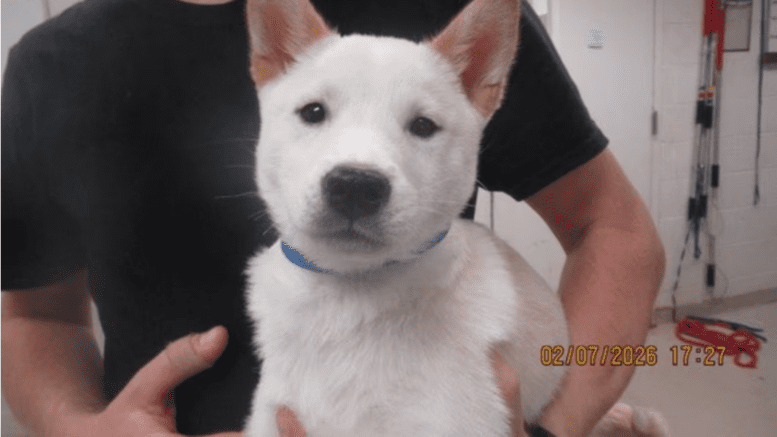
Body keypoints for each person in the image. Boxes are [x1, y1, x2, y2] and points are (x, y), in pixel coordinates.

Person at [1, 0, 665, 436]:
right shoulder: (50, 65)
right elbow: (34, 314)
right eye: (315, 113)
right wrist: (77, 428)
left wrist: (559, 420)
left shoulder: (449, 6)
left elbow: (617, 231)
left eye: (418, 124)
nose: (357, 170)